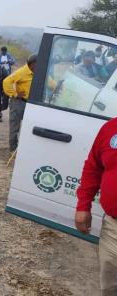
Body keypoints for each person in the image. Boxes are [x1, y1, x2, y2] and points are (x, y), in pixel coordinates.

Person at [75, 117, 117, 295]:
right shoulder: (111, 128)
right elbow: (94, 166)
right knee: (110, 286)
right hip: (114, 229)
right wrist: (83, 205)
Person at [3, 54, 37, 152]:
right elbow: (6, 81)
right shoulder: (21, 72)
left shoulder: (37, 72)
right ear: (33, 64)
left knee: (29, 126)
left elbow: (50, 83)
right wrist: (14, 94)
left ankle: (25, 148)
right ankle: (13, 149)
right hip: (18, 103)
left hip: (31, 104)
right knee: (15, 127)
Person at [0, 46, 15, 122]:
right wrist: (1, 62)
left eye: (5, 51)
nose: (3, 52)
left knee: (5, 93)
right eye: (2, 51)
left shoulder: (9, 55)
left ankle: (4, 107)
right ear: (1, 51)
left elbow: (13, 61)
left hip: (8, 76)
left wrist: (8, 61)